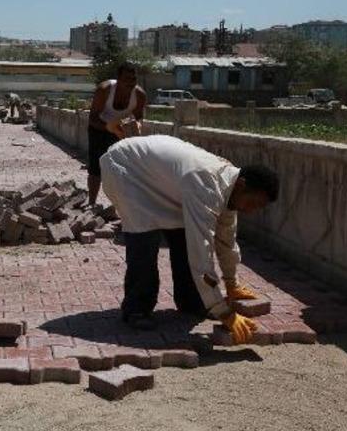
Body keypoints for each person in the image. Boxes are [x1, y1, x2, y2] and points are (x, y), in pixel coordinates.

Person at [100, 135, 279, 343]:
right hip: (126, 167)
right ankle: (136, 309)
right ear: (241, 185)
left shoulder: (227, 188)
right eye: (253, 203)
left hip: (157, 177)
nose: (251, 211)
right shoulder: (206, 185)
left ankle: (191, 302)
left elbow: (226, 240)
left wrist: (232, 283)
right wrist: (223, 310)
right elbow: (201, 251)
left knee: (182, 236)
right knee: (144, 238)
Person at [87, 63, 146, 207]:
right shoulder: (104, 90)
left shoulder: (139, 95)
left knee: (123, 169)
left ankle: (121, 206)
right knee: (96, 167)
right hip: (99, 128)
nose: (130, 83)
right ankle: (92, 203)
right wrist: (110, 128)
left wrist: (135, 128)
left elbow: (138, 118)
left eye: (133, 79)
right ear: (118, 79)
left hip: (122, 131)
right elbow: (93, 118)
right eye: (127, 79)